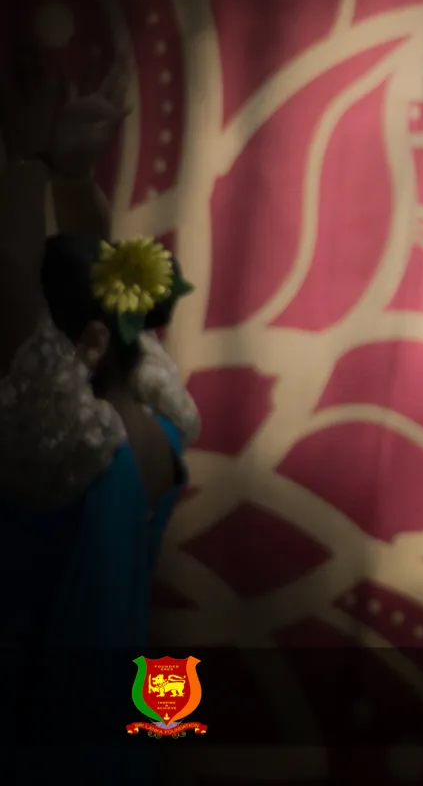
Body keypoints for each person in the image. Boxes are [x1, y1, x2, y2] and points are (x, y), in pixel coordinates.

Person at [1, 51, 199, 782]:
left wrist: (26, 156)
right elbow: (106, 288)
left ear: (77, 345)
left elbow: (13, 278)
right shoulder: (159, 413)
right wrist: (74, 176)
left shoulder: (64, 443)